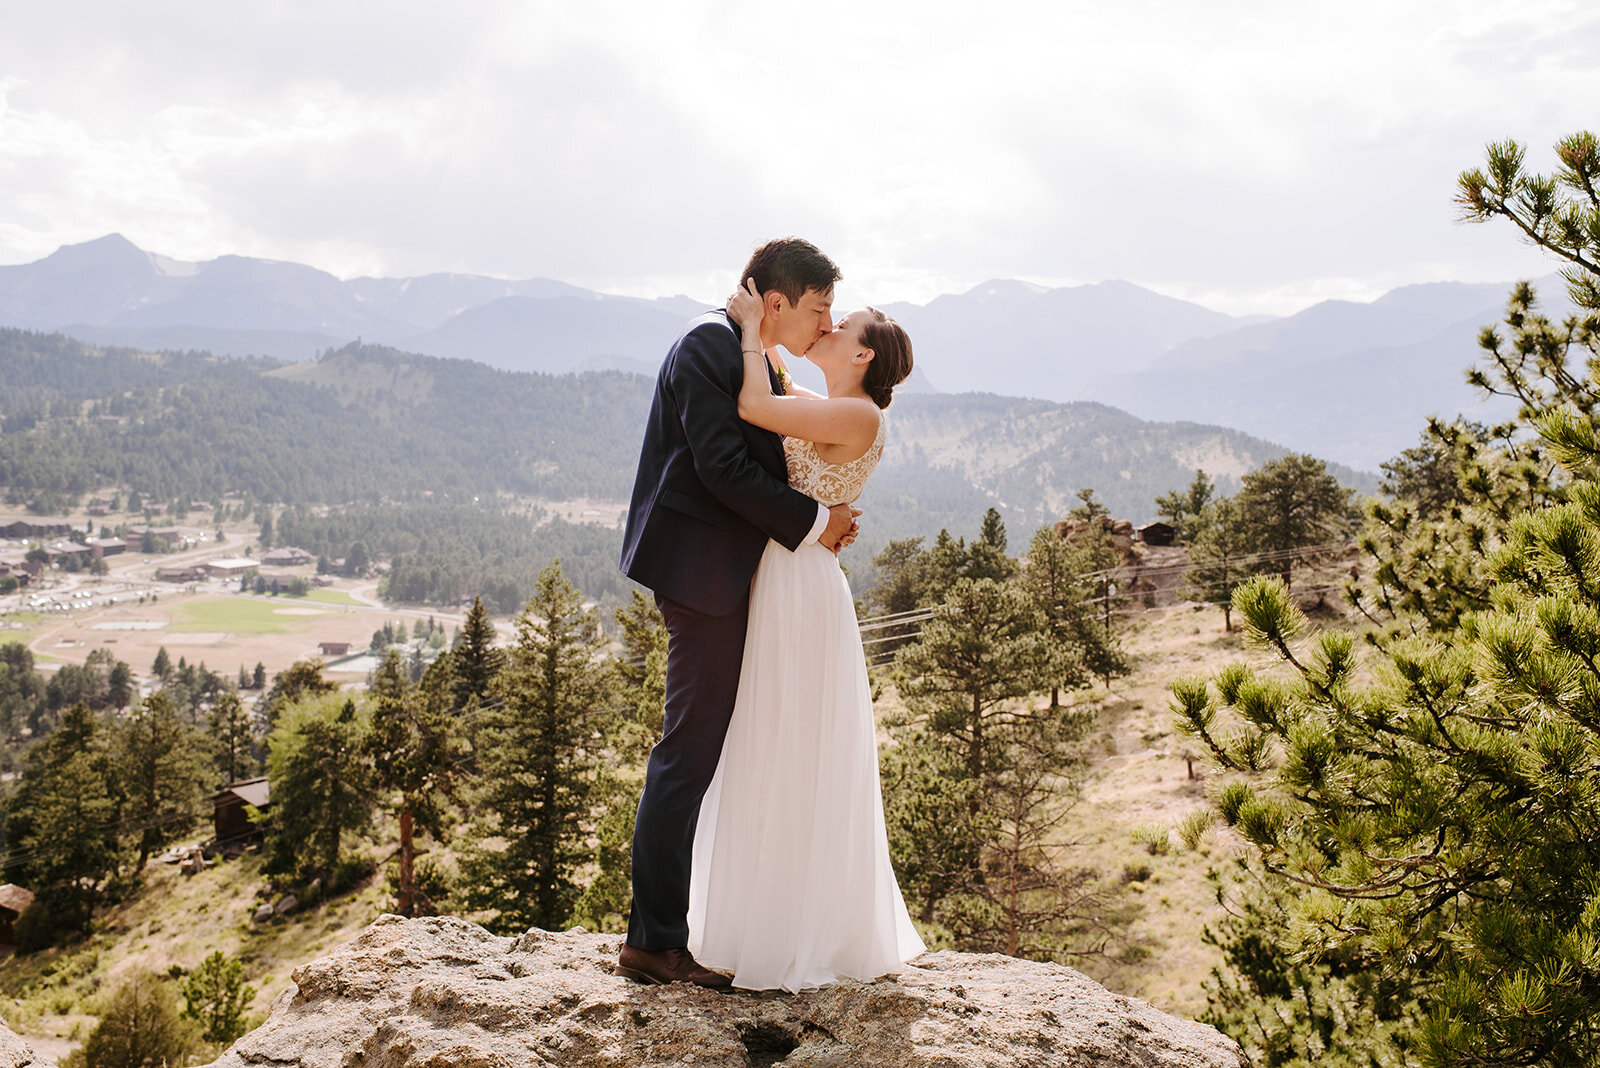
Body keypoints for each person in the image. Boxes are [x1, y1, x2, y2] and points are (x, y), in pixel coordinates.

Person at [616, 237, 859, 988]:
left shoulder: (745, 350)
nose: (824, 323)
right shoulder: (706, 346)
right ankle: (654, 941)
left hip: (733, 574)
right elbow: (719, 466)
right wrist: (818, 522)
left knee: (705, 751)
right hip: (702, 577)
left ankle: (680, 931)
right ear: (776, 301)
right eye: (817, 308)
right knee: (687, 754)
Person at [686, 280, 924, 992]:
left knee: (791, 742)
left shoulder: (857, 413)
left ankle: (794, 932)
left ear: (860, 353)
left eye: (839, 321)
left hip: (800, 585)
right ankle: (759, 920)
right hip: (784, 571)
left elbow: (755, 408)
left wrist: (753, 328)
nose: (827, 323)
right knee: (767, 740)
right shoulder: (834, 404)